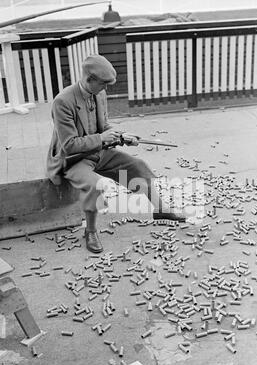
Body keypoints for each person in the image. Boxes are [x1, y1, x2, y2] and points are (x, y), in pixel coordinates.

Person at [47, 54, 185, 253]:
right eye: (103, 84)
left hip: (98, 151)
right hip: (74, 160)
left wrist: (122, 135)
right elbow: (69, 145)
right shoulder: (62, 102)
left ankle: (161, 210)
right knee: (96, 185)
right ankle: (91, 231)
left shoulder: (99, 93)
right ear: (89, 79)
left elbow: (104, 127)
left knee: (137, 166)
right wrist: (103, 139)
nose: (106, 89)